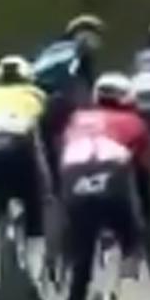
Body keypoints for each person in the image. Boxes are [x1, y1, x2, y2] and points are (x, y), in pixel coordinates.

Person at [57, 72, 150, 300]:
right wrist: (144, 228)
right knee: (130, 240)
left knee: (80, 271)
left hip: (74, 184)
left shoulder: (76, 120)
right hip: (113, 183)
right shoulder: (135, 124)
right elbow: (142, 179)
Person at [0, 56, 50, 300]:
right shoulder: (35, 94)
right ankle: (35, 277)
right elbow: (38, 141)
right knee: (35, 212)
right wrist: (47, 183)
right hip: (18, 145)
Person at [33, 14, 105, 187]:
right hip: (67, 102)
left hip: (42, 103)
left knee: (48, 141)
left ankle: (54, 182)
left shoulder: (50, 50)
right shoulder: (79, 51)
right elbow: (87, 85)